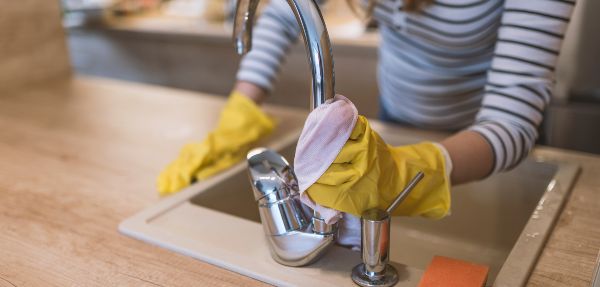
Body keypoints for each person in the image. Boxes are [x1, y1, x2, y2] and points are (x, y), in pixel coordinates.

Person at [158, 0, 576, 221]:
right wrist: (240, 114)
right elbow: (289, 14)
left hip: (481, 153)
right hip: (393, 127)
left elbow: (513, 121)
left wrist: (405, 170)